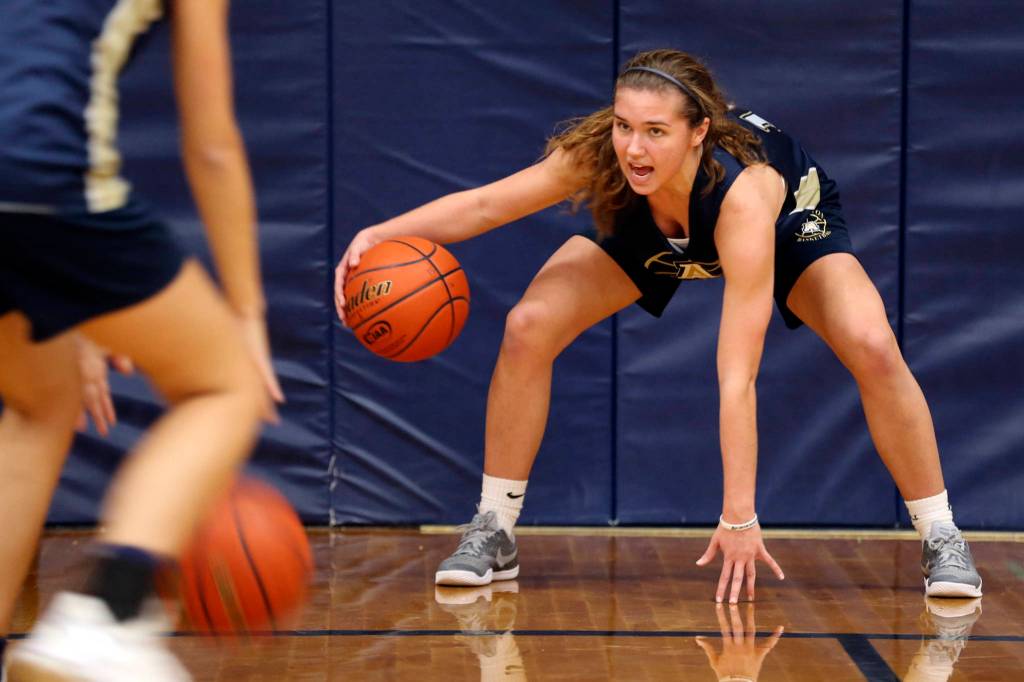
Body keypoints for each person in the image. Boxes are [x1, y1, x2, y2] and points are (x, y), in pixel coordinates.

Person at [335, 49, 981, 603]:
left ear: (698, 131)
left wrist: (738, 517)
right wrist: (382, 233)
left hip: (785, 230)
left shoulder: (747, 194)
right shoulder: (604, 155)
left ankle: (941, 535)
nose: (634, 148)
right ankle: (494, 528)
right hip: (658, 223)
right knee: (529, 323)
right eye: (623, 126)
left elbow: (737, 374)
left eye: (654, 131)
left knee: (870, 343)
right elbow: (484, 206)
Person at [0, 0, 283, 680]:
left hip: (29, 180)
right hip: (36, 170)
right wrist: (246, 313)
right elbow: (211, 143)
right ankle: (109, 614)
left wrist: (71, 300)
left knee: (41, 401)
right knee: (226, 385)